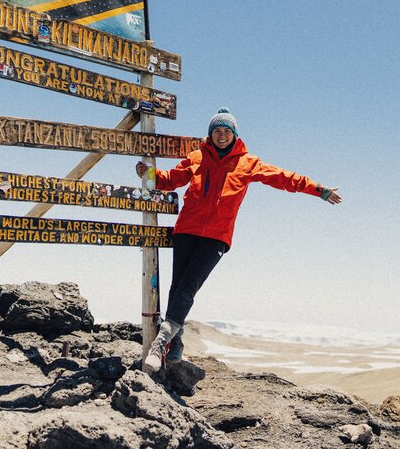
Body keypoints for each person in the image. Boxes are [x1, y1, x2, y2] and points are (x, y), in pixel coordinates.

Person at [136, 107, 342, 373]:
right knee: (178, 287)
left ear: (235, 135)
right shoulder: (197, 157)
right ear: (210, 135)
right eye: (217, 131)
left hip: (216, 238)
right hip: (187, 230)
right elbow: (170, 180)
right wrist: (148, 174)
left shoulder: (248, 163)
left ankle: (160, 344)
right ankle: (175, 347)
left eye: (226, 131)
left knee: (188, 286)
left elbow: (283, 178)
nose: (222, 136)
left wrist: (319, 190)